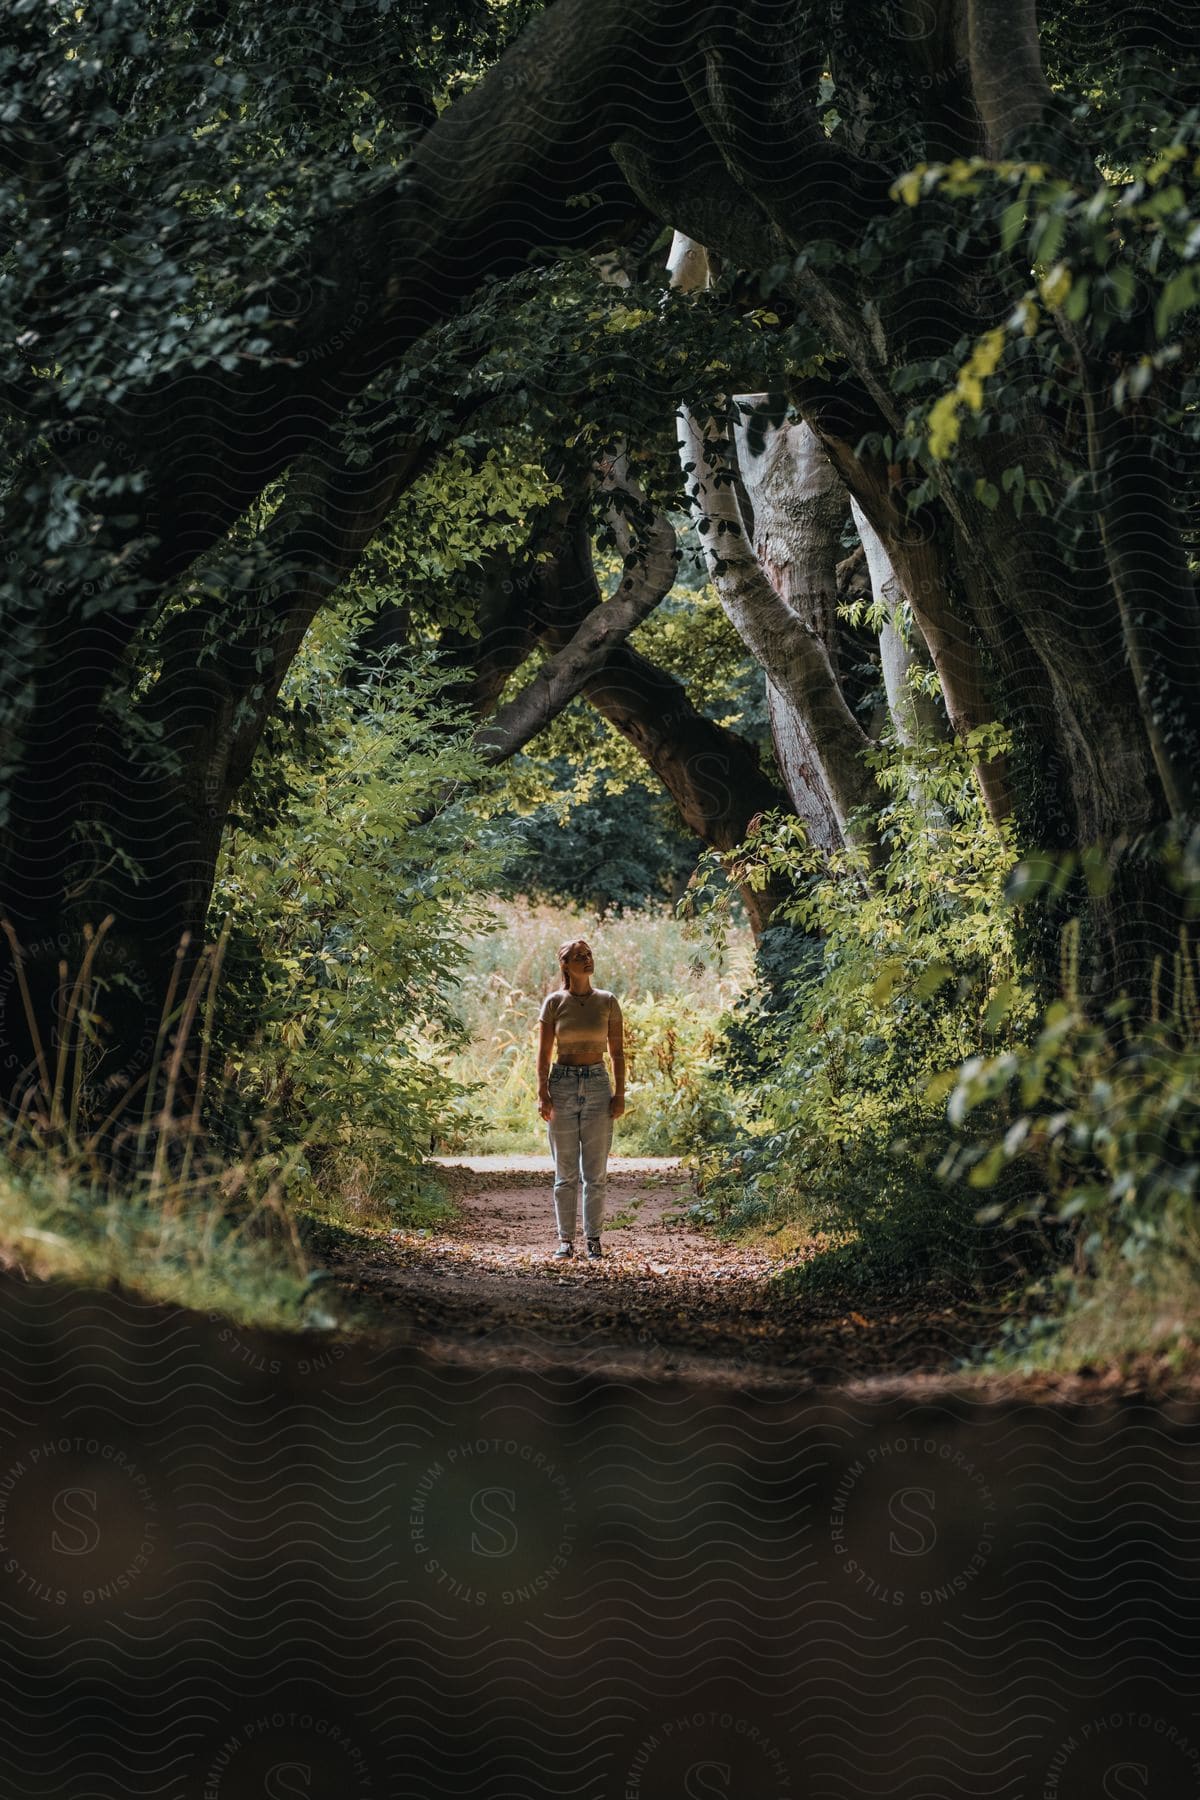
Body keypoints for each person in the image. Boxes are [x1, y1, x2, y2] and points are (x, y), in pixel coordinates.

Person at [536, 937, 625, 1262]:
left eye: (588, 955)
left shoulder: (608, 1001)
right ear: (565, 965)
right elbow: (544, 1053)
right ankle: (565, 1241)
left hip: (599, 1084)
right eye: (578, 956)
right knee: (565, 1172)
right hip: (562, 1084)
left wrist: (620, 1093)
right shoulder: (554, 1002)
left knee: (595, 1172)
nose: (586, 960)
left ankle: (594, 1240)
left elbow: (617, 1053)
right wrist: (542, 1092)